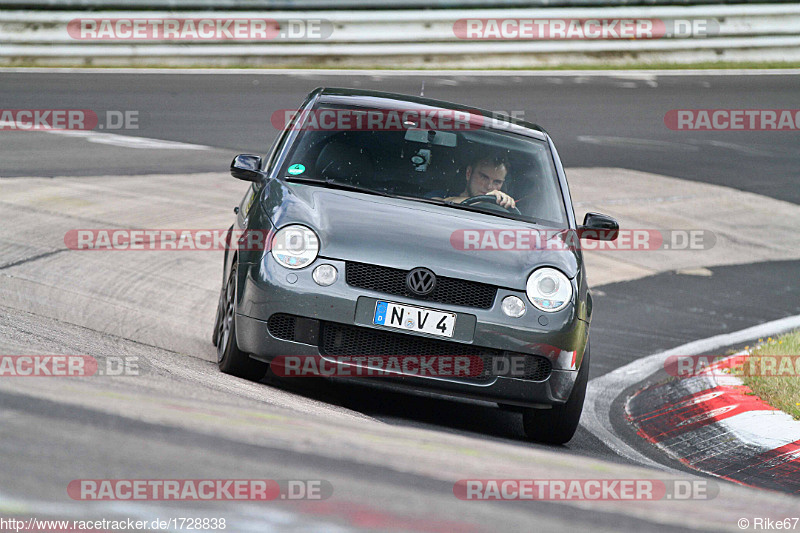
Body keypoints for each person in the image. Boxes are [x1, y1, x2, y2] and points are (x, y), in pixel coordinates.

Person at [438, 154, 516, 209]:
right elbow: (436, 204)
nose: (489, 186)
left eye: (497, 182)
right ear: (468, 173)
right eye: (484, 177)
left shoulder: (501, 206)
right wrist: (482, 200)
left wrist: (508, 205)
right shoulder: (443, 195)